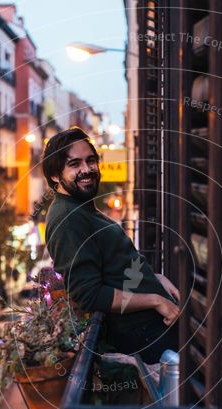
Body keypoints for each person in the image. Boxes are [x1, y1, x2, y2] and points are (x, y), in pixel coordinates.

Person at [41, 127, 180, 364]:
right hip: (144, 336)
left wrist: (154, 278)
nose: (86, 169)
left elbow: (115, 266)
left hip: (152, 329)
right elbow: (90, 295)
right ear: (55, 176)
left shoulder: (80, 207)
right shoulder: (67, 218)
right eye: (74, 164)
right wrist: (156, 300)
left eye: (91, 160)